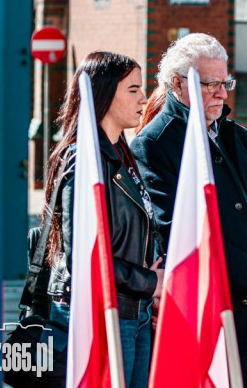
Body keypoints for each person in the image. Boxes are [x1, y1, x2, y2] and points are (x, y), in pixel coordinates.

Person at [131, 33, 247, 383]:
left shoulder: (238, 136)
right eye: (210, 83)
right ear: (178, 84)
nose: (222, 93)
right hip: (204, 308)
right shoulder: (154, 143)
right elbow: (175, 230)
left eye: (225, 81)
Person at [39, 51, 164, 388]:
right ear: (104, 93)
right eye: (133, 90)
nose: (144, 98)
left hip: (133, 311)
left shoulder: (123, 155)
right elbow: (86, 255)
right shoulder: (84, 160)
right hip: (102, 313)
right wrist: (152, 283)